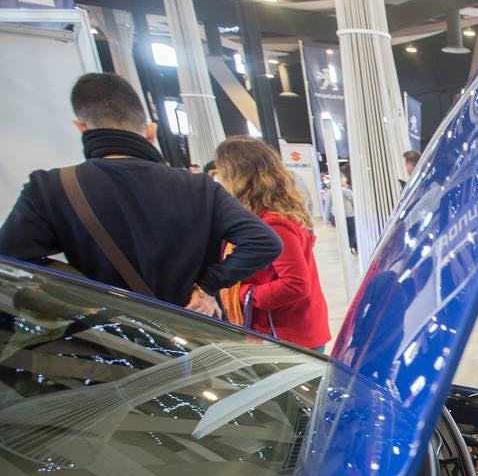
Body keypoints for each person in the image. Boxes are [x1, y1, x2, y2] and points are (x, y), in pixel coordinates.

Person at [0, 73, 280, 317]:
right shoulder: (198, 187)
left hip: (112, 343)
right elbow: (264, 242)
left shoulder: (52, 187)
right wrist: (207, 286)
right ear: (150, 131)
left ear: (81, 127)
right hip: (195, 328)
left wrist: (85, 296)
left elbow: (11, 265)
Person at [213, 137, 331, 352]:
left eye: (221, 173)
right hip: (288, 331)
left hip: (288, 335)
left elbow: (295, 284)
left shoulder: (274, 222)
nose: (218, 180)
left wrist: (242, 294)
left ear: (237, 176)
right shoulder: (269, 217)